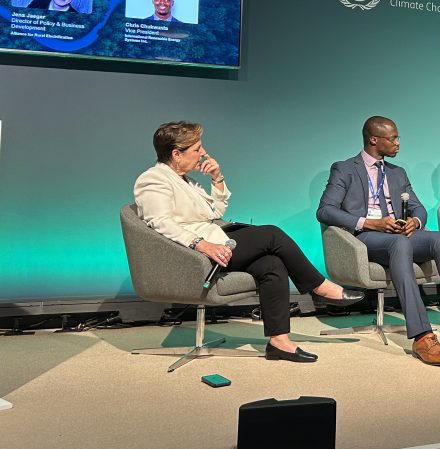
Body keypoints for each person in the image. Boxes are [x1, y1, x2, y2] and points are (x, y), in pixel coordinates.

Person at [134, 122, 363, 363]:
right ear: (176, 154)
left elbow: (214, 213)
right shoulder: (153, 180)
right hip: (196, 256)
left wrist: (217, 178)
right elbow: (160, 223)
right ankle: (320, 287)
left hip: (216, 244)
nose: (203, 153)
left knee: (272, 264)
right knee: (272, 234)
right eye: (197, 149)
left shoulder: (185, 181)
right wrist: (202, 244)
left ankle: (279, 343)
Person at [316, 116, 440, 366]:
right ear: (374, 140)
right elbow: (325, 210)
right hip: (367, 238)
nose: (398, 143)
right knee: (399, 244)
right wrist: (369, 223)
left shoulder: (397, 172)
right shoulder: (344, 169)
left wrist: (415, 222)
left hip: (398, 234)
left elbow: (418, 207)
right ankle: (422, 336)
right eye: (393, 138)